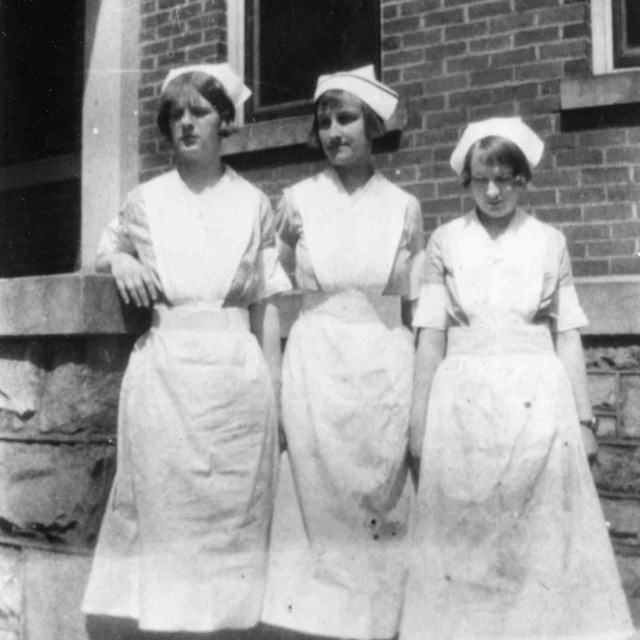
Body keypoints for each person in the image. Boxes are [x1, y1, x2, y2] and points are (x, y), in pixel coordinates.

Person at [401, 117, 633, 640]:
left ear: (523, 179)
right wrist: (418, 424)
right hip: (463, 402)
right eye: (482, 178)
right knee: (468, 531)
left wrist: (585, 417)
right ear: (468, 180)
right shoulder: (445, 242)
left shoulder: (550, 241)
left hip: (538, 399)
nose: (492, 190)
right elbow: (431, 334)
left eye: (505, 178)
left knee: (538, 533)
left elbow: (567, 332)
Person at [82, 63, 290, 638]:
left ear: (226, 121)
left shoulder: (253, 203)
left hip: (235, 379)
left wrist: (272, 390)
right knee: (167, 518)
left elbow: (267, 302)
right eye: (176, 114)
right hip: (166, 378)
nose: (186, 123)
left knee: (232, 524)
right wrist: (121, 261)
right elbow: (105, 249)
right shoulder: (145, 200)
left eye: (199, 111)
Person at [260, 65, 425, 640]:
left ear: (373, 126)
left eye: (346, 118)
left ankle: (380, 627)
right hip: (315, 363)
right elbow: (271, 290)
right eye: (324, 121)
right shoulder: (298, 201)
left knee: (380, 497)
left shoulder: (404, 206)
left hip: (384, 362)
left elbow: (414, 304)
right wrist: (276, 375)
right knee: (316, 501)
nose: (333, 131)